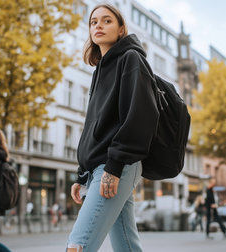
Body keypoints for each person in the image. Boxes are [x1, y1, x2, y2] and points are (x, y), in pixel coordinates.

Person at [66, 4, 159, 252]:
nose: (98, 25)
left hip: (116, 165)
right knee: (127, 246)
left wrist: (114, 166)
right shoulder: (99, 70)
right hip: (101, 167)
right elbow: (93, 127)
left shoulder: (131, 59)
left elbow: (140, 116)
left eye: (106, 21)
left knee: (77, 246)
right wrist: (81, 173)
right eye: (93, 22)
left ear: (120, 30)